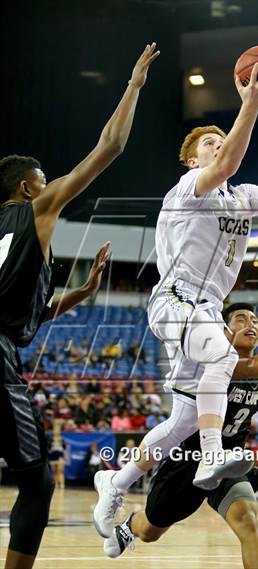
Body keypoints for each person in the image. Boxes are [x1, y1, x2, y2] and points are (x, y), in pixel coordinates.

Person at [93, 64, 258, 538]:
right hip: (176, 299)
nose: (217, 146)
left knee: (183, 418)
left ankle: (115, 482)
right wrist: (251, 104)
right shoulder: (187, 190)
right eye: (208, 145)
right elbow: (227, 164)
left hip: (206, 308)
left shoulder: (242, 196)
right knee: (222, 354)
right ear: (193, 162)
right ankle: (213, 455)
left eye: (221, 139)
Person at [0, 43, 159, 569]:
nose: (51, 187)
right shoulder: (37, 209)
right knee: (37, 482)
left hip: (6, 339)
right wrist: (133, 86)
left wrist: (83, 294)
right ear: (28, 188)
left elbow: (28, 314)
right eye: (45, 180)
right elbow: (108, 148)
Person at [103, 303, 258, 566]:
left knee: (247, 521)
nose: (250, 324)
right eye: (241, 319)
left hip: (228, 460)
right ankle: (128, 527)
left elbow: (252, 371)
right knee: (151, 531)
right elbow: (246, 367)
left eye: (255, 320)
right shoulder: (210, 360)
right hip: (188, 461)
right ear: (224, 330)